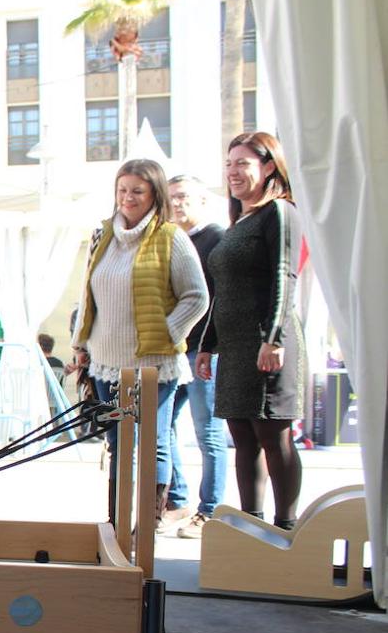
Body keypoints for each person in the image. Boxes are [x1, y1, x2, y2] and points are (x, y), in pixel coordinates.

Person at [70, 159, 208, 526]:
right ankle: (117, 522)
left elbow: (196, 297)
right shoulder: (103, 236)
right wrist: (80, 342)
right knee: (118, 441)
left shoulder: (170, 237)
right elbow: (88, 294)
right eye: (122, 190)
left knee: (153, 441)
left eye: (137, 191)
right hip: (105, 361)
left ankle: (148, 522)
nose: (128, 198)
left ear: (154, 195)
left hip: (152, 363)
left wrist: (164, 333)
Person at [197, 132, 306, 530]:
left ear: (269, 167)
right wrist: (208, 345)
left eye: (243, 163)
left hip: (266, 342)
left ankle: (286, 526)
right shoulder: (238, 222)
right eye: (229, 164)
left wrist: (273, 338)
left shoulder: (279, 212)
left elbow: (284, 275)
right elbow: (220, 291)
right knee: (242, 438)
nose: (233, 172)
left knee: (273, 437)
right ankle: (252, 525)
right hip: (236, 347)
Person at [164, 175, 229, 538]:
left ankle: (211, 510)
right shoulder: (171, 239)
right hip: (173, 351)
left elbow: (215, 299)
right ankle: (177, 500)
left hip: (205, 351)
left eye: (184, 196)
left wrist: (208, 346)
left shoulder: (215, 238)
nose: (177, 203)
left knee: (208, 431)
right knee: (163, 426)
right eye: (172, 197)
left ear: (203, 200)